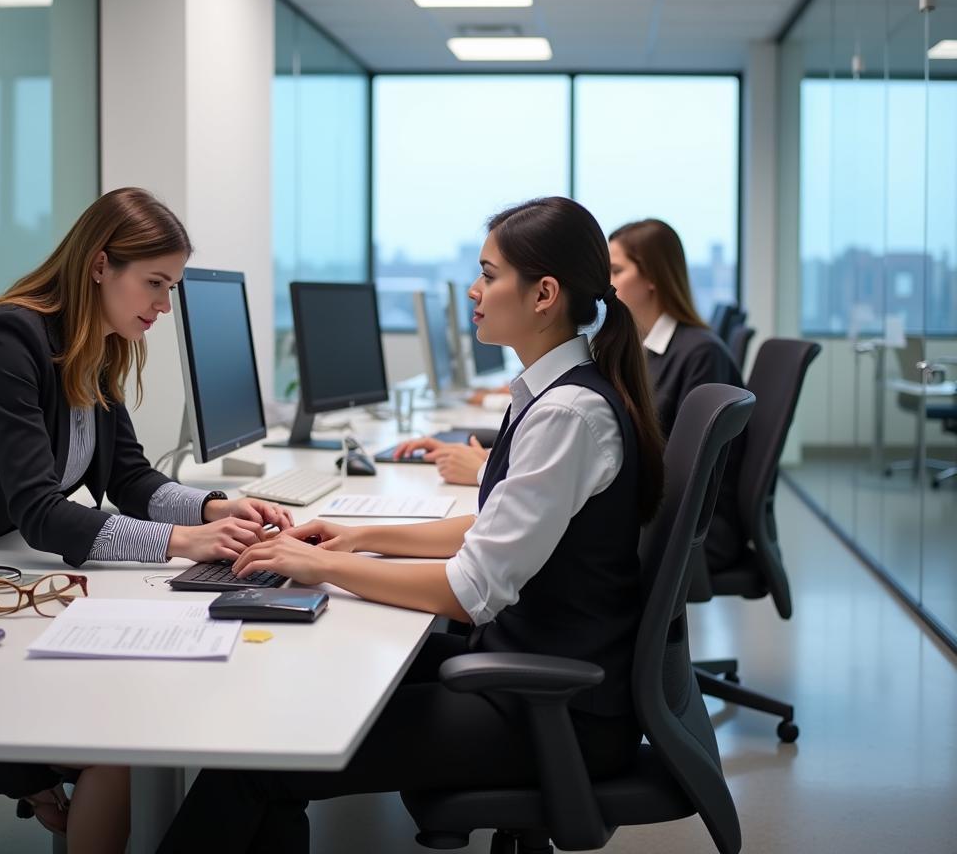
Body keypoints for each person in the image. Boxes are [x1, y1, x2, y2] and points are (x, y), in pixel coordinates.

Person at [157, 196, 667, 854]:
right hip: (530, 668)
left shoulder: (567, 413)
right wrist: (355, 539)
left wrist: (322, 567)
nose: (475, 293)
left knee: (261, 760)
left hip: (554, 710)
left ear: (544, 293)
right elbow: (490, 529)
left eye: (488, 275)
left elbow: (468, 589)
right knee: (306, 679)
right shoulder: (554, 394)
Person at [0, 187, 294, 850]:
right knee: (111, 736)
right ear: (100, 266)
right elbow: (41, 512)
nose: (163, 306)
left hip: (11, 568)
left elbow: (131, 480)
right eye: (155, 285)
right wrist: (187, 541)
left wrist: (216, 508)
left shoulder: (95, 344)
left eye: (172, 288)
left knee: (119, 723)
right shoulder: (9, 336)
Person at [607, 217, 745, 570]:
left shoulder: (700, 353)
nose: (605, 284)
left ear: (652, 277)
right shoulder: (644, 348)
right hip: (659, 514)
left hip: (692, 530)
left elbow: (687, 470)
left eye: (616, 271)